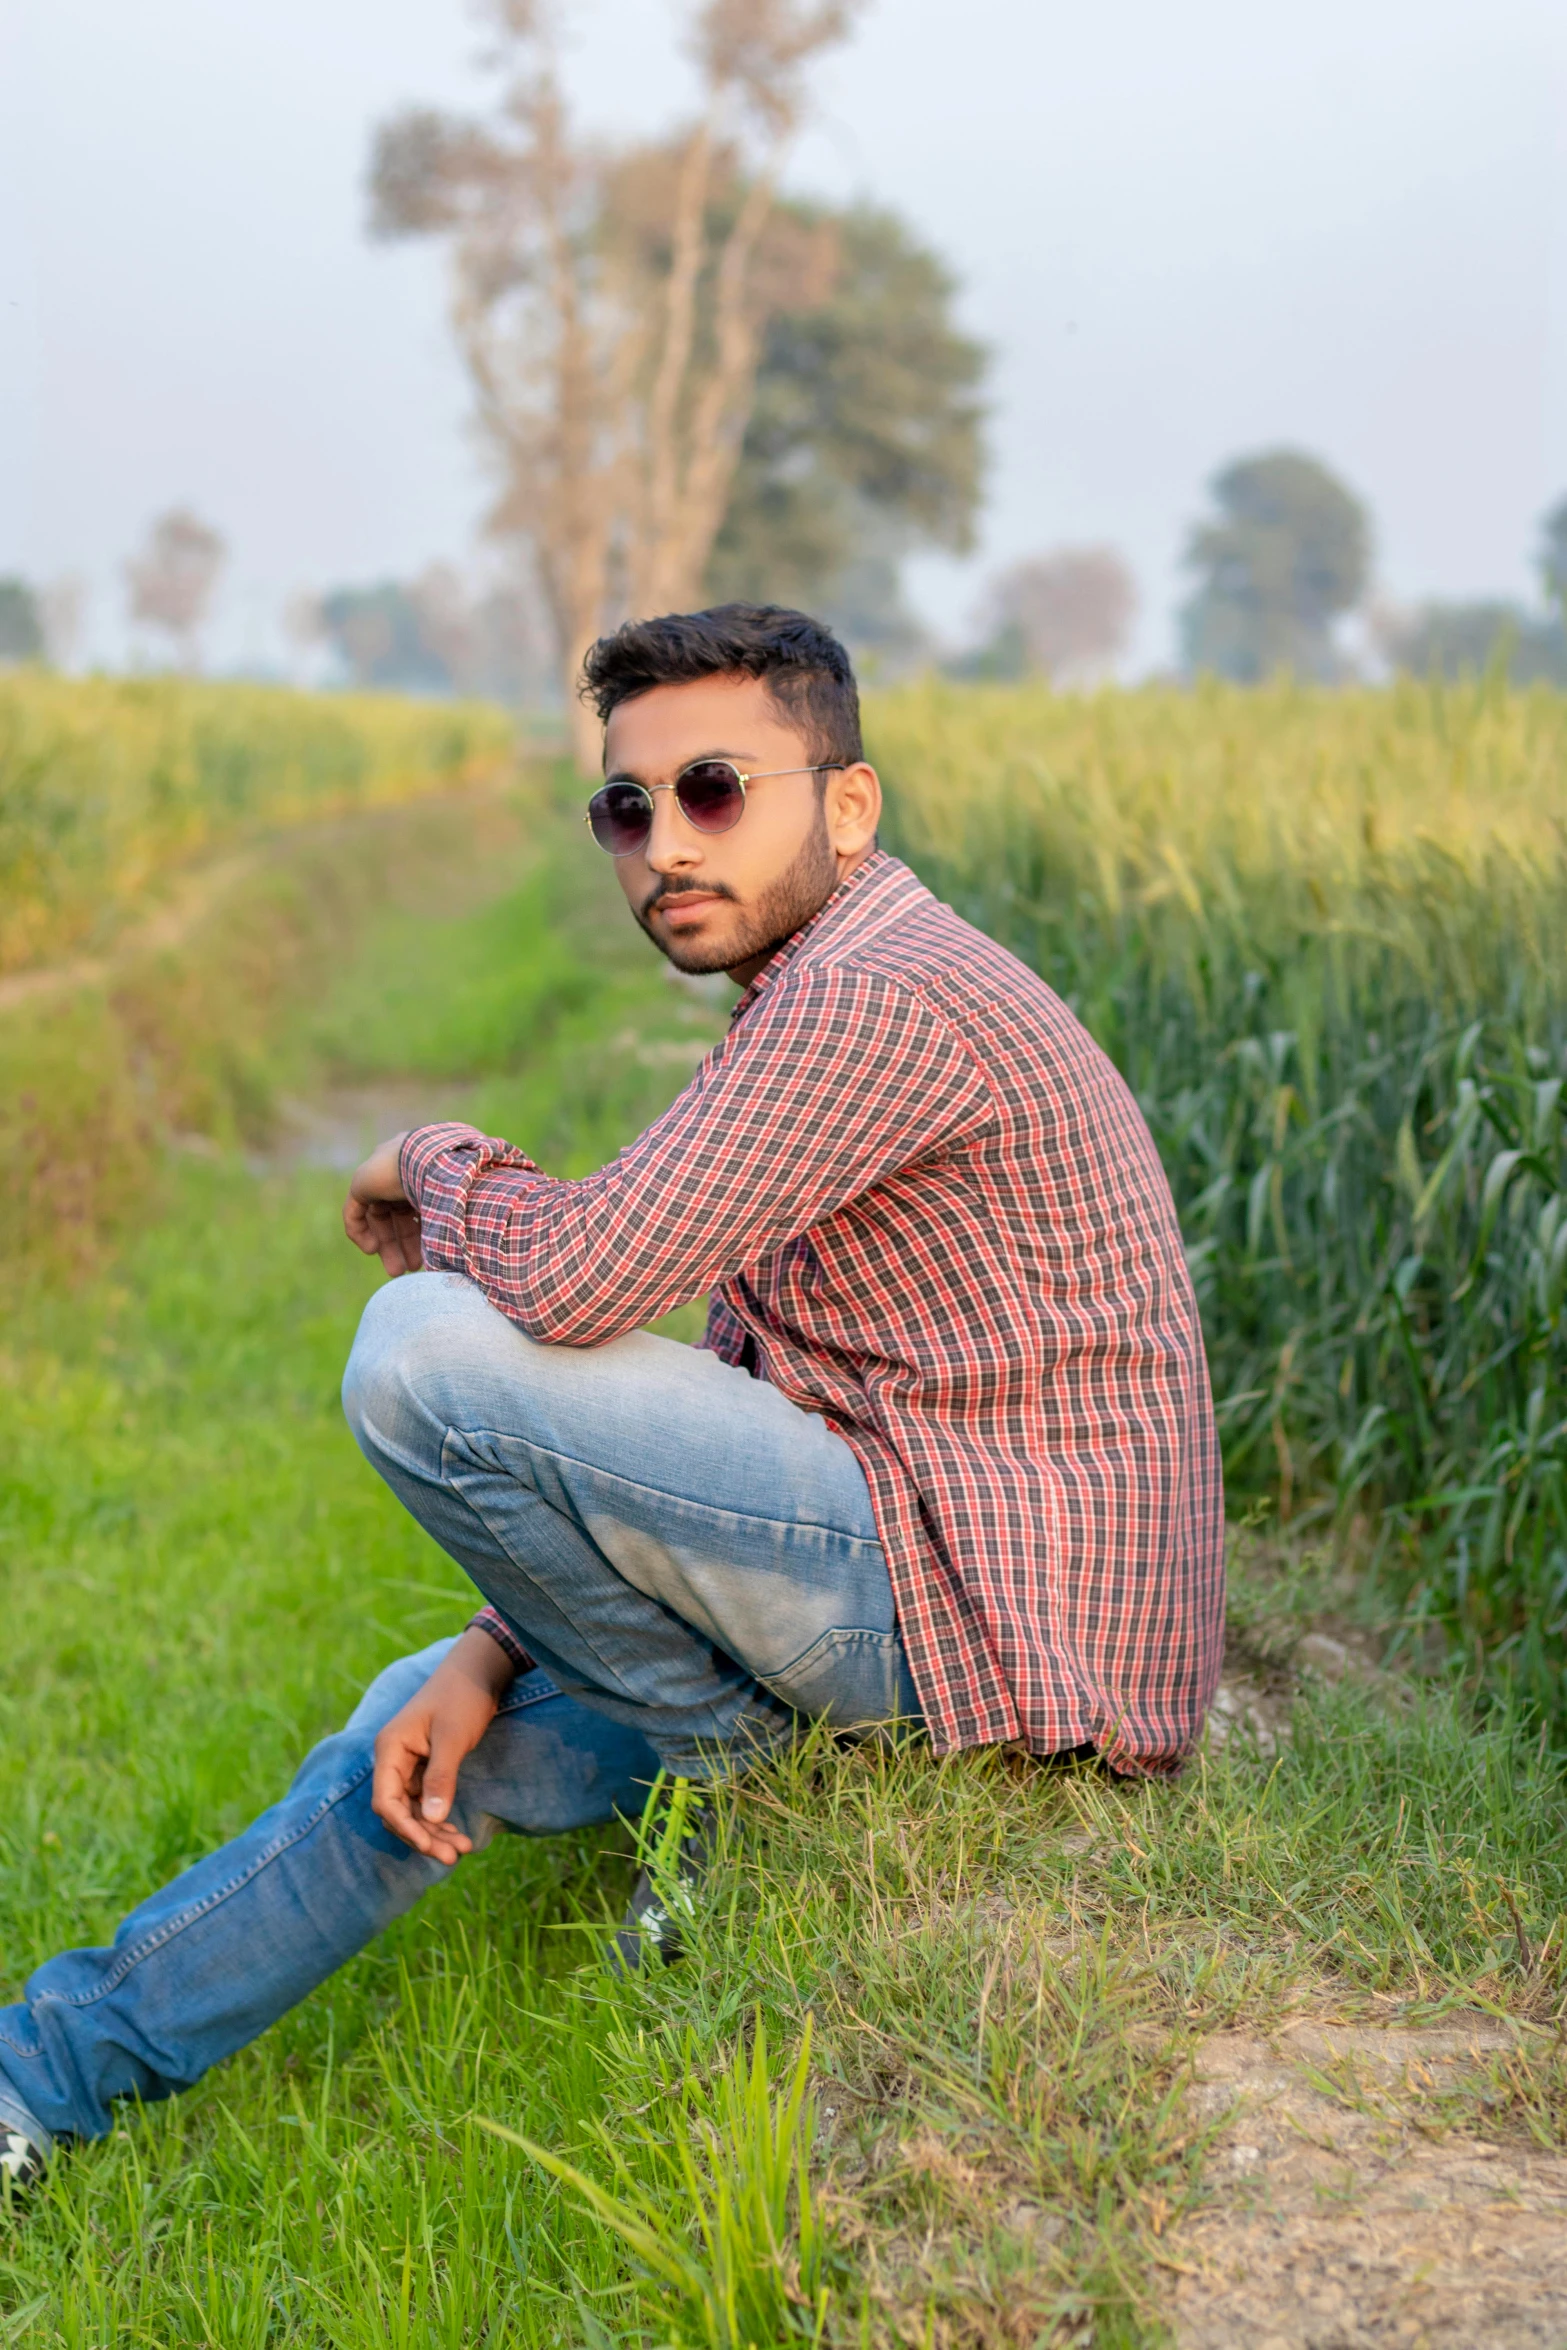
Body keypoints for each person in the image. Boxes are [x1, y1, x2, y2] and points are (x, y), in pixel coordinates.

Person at [0, 604, 1223, 2194]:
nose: (664, 843)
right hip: (908, 1563)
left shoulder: (875, 995)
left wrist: (429, 1154)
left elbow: (573, 1284)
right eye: (624, 806)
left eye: (715, 788)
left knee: (422, 1345)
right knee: (417, 1727)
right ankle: (39, 2084)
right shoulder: (816, 983)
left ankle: (717, 1772)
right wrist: (494, 1642)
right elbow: (741, 1372)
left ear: (845, 806)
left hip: (990, 1610)